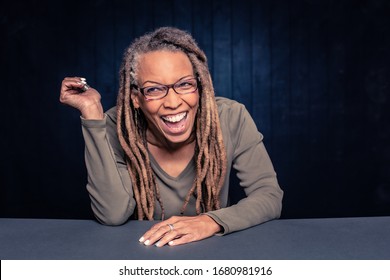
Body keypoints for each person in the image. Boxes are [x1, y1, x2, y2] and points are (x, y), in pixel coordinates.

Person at [59, 27, 283, 247]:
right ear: (136, 98)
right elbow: (112, 214)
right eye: (154, 89)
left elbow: (269, 195)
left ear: (200, 86)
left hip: (214, 253)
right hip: (139, 255)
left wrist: (211, 221)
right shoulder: (115, 126)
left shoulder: (230, 117)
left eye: (185, 84)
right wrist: (92, 114)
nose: (173, 102)